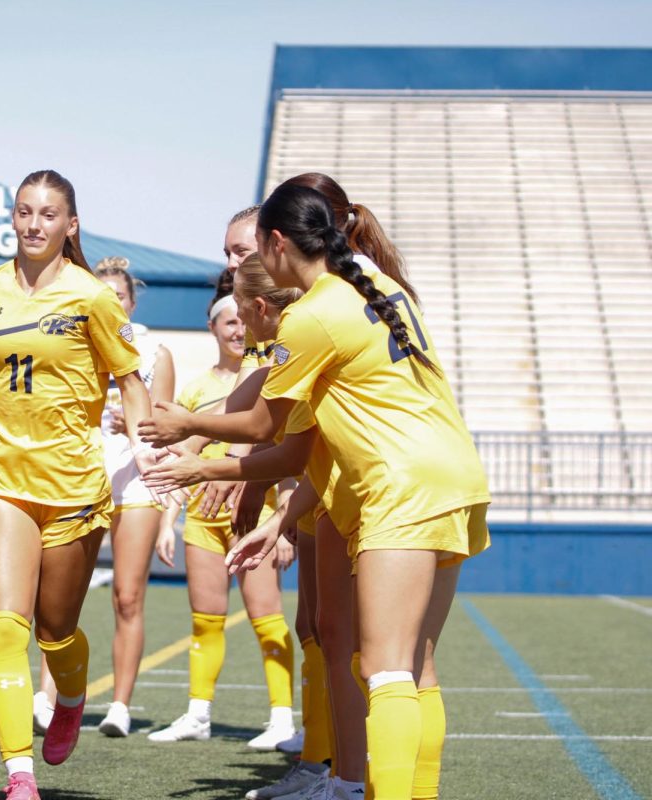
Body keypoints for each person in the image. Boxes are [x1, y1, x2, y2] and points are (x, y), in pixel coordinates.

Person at [139, 182, 490, 800]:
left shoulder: (311, 314)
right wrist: (212, 473)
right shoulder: (380, 286)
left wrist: (187, 426)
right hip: (454, 476)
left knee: (380, 671)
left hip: (398, 488)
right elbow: (296, 450)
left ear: (277, 244)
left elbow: (261, 426)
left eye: (250, 251)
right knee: (415, 669)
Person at [0, 169, 158, 800]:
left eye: (48, 214)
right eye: (24, 212)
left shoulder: (93, 298)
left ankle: (72, 698)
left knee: (56, 630)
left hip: (74, 486)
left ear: (71, 224)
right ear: (13, 218)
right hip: (1, 476)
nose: (34, 224)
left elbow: (131, 384)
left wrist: (147, 451)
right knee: (7, 623)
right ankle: (18, 774)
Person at [144, 284, 295, 749]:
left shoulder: (271, 372)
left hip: (255, 513)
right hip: (203, 519)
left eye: (240, 320)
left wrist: (284, 522)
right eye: (227, 321)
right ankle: (198, 713)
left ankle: (284, 719)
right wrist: (168, 521)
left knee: (266, 615)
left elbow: (288, 445)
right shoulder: (197, 388)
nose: (236, 329)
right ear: (212, 327)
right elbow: (183, 458)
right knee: (205, 617)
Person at [88, 257, 175, 738]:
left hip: (135, 476)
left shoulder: (155, 350)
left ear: (132, 301)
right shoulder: (76, 341)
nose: (112, 302)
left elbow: (164, 423)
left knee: (127, 595)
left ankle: (119, 705)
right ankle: (49, 698)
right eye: (103, 295)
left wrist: (137, 425)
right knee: (62, 596)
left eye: (118, 295)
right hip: (82, 471)